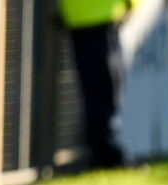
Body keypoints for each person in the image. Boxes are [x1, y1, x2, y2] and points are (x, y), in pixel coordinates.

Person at [57, 0, 132, 169]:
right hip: (103, 13)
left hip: (78, 15)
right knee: (107, 88)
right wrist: (132, 4)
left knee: (95, 90)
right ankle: (107, 154)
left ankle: (101, 151)